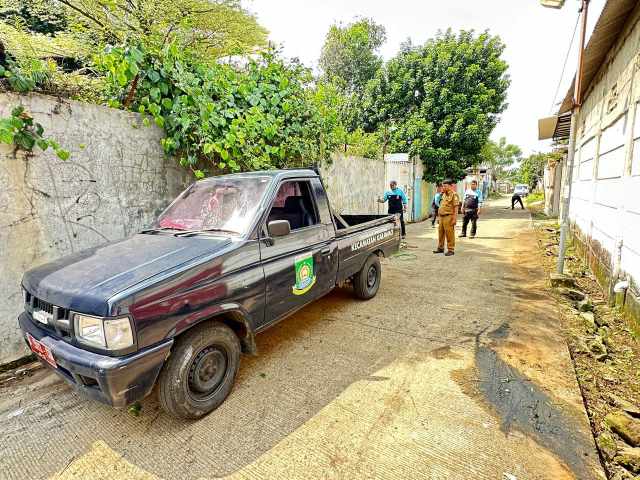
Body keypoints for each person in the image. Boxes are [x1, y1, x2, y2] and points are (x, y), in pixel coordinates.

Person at [433, 179, 460, 256]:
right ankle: (440, 248)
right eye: (443, 186)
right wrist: (438, 217)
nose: (443, 187)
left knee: (449, 234)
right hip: (441, 217)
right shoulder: (443, 194)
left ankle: (451, 249)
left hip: (449, 217)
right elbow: (441, 206)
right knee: (440, 233)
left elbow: (456, 208)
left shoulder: (454, 195)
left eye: (445, 186)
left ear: (451, 186)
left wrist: (454, 219)